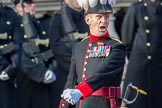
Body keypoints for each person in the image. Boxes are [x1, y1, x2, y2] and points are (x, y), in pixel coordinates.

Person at [59, 0, 126, 108]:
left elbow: (103, 73)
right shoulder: (80, 46)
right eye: (99, 17)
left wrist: (81, 90)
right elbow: (71, 82)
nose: (104, 21)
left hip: (105, 104)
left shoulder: (117, 46)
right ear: (88, 20)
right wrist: (64, 105)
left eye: (107, 17)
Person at [13, 0, 56, 108]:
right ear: (18, 7)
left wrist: (51, 67)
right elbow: (18, 54)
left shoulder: (38, 23)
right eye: (28, 3)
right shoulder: (15, 25)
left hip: (44, 75)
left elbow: (47, 48)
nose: (33, 5)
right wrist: (40, 73)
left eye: (33, 3)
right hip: (26, 76)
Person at [121, 0, 162, 108]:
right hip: (139, 63)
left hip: (159, 61)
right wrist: (132, 57)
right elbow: (127, 37)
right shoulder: (137, 7)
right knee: (137, 101)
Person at [48, 0, 89, 107]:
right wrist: (75, 66)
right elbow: (56, 46)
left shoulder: (87, 17)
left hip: (86, 71)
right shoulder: (58, 18)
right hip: (66, 72)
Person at [0, 3, 22, 108]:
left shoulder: (9, 13)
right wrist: (4, 65)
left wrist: (12, 67)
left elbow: (17, 43)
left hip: (7, 73)